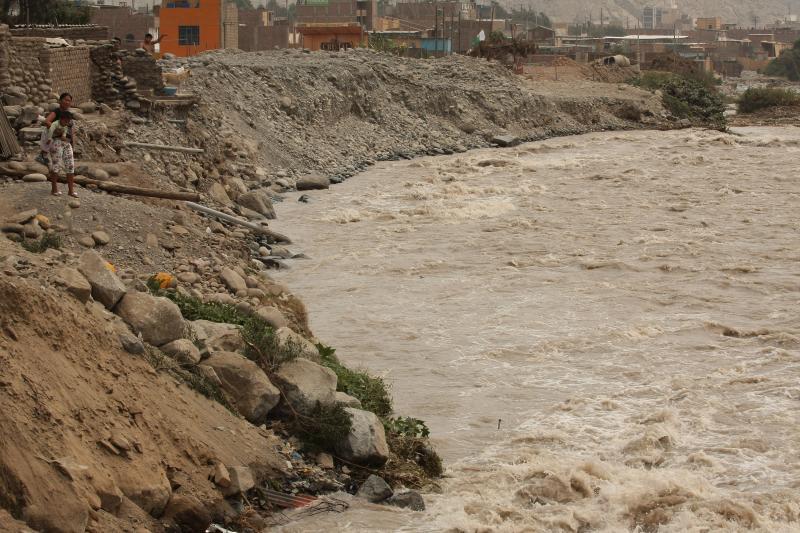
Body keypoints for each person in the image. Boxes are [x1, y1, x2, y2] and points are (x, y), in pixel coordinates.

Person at [36, 92, 73, 166]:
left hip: (57, 136)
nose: (67, 102)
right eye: (65, 100)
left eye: (69, 101)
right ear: (60, 101)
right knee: (48, 145)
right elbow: (47, 121)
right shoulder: (57, 111)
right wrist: (56, 130)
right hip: (50, 133)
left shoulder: (67, 113)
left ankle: (44, 157)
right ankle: (42, 156)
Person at [47, 111, 77, 198]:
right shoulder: (55, 116)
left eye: (68, 121)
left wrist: (72, 144)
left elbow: (71, 133)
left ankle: (71, 191)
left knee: (70, 166)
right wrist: (51, 137)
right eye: (66, 121)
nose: (67, 123)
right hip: (57, 143)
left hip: (67, 143)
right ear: (61, 119)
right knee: (56, 165)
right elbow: (48, 124)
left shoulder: (68, 123)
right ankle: (54, 189)